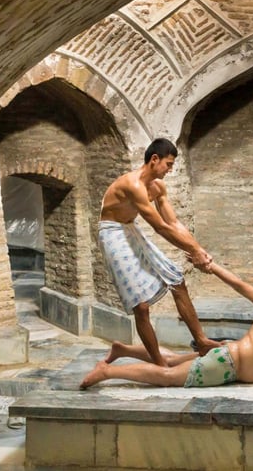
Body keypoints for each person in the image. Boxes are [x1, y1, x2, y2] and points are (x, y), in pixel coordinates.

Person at [80, 260, 253, 389]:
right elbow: (240, 285)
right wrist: (210, 266)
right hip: (228, 363)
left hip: (230, 360)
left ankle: (123, 350)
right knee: (168, 375)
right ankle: (107, 372)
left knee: (172, 359)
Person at [98, 138, 220, 366]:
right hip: (112, 233)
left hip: (130, 229)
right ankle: (159, 363)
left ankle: (201, 341)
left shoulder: (157, 188)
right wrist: (193, 251)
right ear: (154, 159)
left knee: (177, 280)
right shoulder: (132, 185)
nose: (171, 170)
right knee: (141, 306)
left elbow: (173, 223)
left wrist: (198, 249)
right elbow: (160, 227)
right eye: (169, 164)